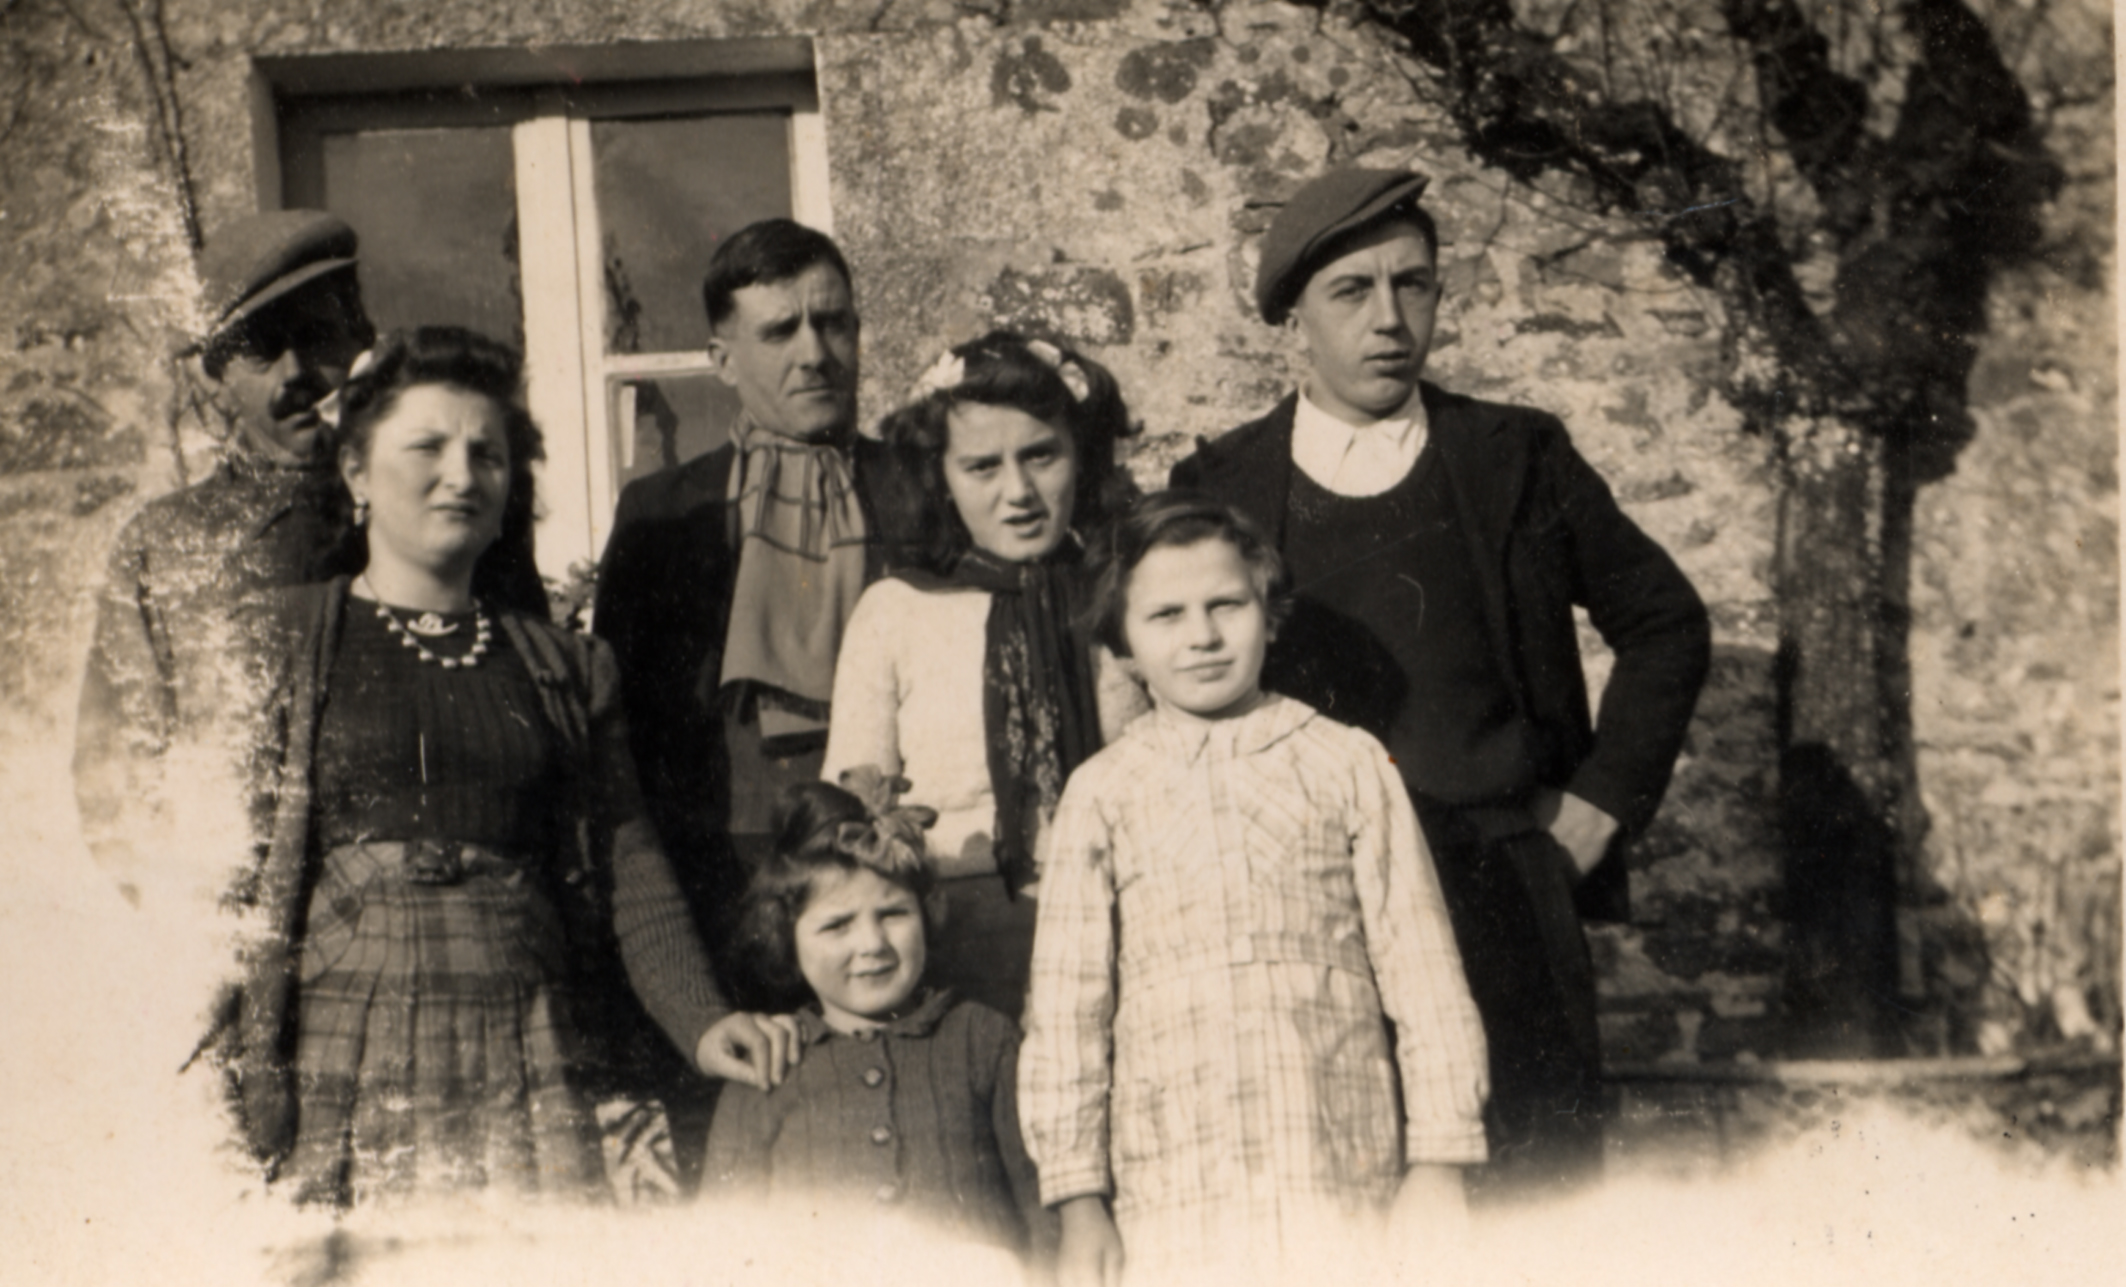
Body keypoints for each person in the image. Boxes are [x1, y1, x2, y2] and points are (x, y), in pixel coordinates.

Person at [1170, 167, 1712, 1200]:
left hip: (1501, 887)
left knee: (1533, 1198)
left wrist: (1599, 808)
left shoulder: (1511, 454)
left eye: (1412, 285)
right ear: (1293, 322)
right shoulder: (1223, 484)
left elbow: (1665, 624)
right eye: (1352, 292)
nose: (1389, 319)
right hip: (1310, 905)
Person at [216, 327, 793, 1207]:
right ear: (357, 474)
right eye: (428, 447)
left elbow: (630, 865)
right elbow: (219, 872)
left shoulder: (564, 666)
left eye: (488, 453)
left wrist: (705, 1022)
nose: (463, 473)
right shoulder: (280, 639)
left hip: (527, 1031)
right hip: (343, 1042)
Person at [1019, 494, 1489, 1285]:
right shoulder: (1102, 793)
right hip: (1170, 1190)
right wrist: (1078, 1199)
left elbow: (1423, 968)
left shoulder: (1346, 762)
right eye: (1165, 614)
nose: (1202, 636)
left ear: (1269, 616)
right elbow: (1067, 1011)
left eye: (1226, 605)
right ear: (1124, 645)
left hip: (1338, 1164)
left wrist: (1440, 1158)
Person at [73, 209, 544, 907]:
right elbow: (115, 780)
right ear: (215, 374)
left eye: (318, 337)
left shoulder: (442, 509)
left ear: (361, 339)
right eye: (264, 349)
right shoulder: (167, 543)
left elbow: (526, 701)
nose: (297, 373)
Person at [592, 218, 889, 1186]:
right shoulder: (662, 515)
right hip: (726, 904)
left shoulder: (917, 490)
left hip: (891, 890)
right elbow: (626, 741)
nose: (814, 352)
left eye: (832, 322)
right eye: (779, 331)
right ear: (721, 357)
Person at [819, 332, 1146, 1020]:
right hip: (950, 947)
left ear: (1080, 457)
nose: (1019, 492)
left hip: (1120, 926)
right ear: (941, 475)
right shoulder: (896, 611)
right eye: (982, 467)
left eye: (1040, 455)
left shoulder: (1124, 596)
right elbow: (851, 822)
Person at [703, 778, 1053, 1263]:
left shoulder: (982, 1039)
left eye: (893, 914)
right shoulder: (764, 1066)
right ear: (786, 937)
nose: (871, 944)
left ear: (927, 914)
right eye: (836, 925)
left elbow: (1044, 1206)